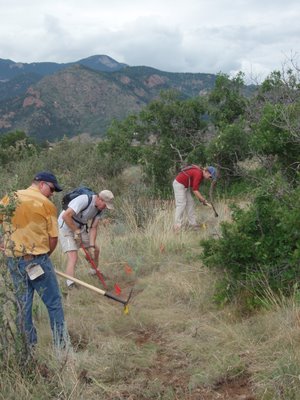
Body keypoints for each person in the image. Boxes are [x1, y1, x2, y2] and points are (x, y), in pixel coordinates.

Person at [0, 171, 69, 350]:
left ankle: (27, 350)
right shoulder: (46, 204)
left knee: (23, 306)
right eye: (52, 189)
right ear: (42, 185)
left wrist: (4, 242)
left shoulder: (10, 198)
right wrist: (44, 256)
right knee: (53, 304)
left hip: (13, 260)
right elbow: (53, 239)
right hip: (38, 259)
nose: (52, 194)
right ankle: (62, 350)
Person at [58, 189, 114, 288]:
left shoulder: (99, 210)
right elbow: (66, 216)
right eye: (105, 205)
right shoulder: (84, 200)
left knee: (95, 250)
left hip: (80, 227)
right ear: (100, 199)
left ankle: (94, 272)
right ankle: (70, 284)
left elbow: (93, 227)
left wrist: (91, 246)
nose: (105, 208)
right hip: (65, 226)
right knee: (73, 256)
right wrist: (76, 231)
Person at [172, 165, 217, 231]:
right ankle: (177, 226)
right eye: (210, 176)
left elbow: (195, 189)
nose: (209, 178)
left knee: (190, 202)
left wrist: (202, 200)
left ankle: (193, 224)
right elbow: (195, 190)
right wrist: (203, 200)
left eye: (211, 178)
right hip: (179, 184)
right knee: (181, 204)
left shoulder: (201, 174)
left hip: (185, 186)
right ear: (206, 172)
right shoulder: (198, 174)